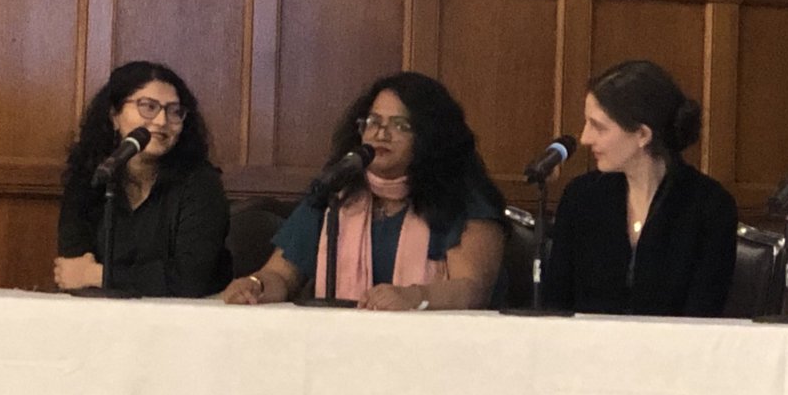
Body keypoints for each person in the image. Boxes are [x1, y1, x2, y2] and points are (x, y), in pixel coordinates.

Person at [222, 72, 506, 310]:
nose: (381, 134)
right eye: (373, 122)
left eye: (400, 125)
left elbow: (472, 290)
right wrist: (256, 285)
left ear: (431, 136)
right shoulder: (338, 192)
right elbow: (281, 275)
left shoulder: (465, 200)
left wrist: (414, 297)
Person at [545, 60, 737, 316]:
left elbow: (703, 313)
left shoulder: (709, 206)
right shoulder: (581, 197)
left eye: (598, 127)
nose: (585, 138)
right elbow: (555, 305)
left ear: (642, 135)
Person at [54, 61, 232, 296]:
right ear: (114, 116)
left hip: (185, 314)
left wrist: (100, 275)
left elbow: (190, 278)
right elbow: (73, 270)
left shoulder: (200, 183)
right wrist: (88, 276)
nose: (161, 121)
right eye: (148, 107)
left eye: (174, 111)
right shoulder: (91, 178)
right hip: (100, 313)